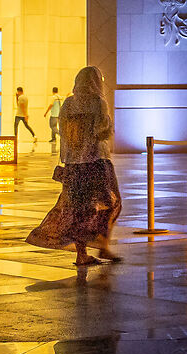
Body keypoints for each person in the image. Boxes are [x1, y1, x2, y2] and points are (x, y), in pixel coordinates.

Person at [28, 66, 122, 274]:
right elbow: (101, 132)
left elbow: (64, 133)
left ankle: (83, 254)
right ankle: (103, 245)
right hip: (95, 162)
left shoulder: (69, 103)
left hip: (73, 166)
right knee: (112, 203)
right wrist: (108, 125)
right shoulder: (98, 103)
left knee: (78, 210)